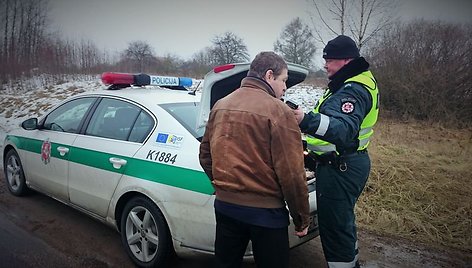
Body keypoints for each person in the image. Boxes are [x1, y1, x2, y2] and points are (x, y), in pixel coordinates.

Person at [199, 51, 310, 268]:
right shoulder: (279, 111)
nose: (285, 88)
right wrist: (301, 218)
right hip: (266, 215)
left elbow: (205, 156)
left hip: (225, 208)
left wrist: (225, 187)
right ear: (269, 76)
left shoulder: (221, 104)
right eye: (284, 80)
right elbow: (292, 173)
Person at [293, 35, 379, 268]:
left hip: (341, 168)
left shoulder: (353, 90)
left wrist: (305, 120)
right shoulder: (353, 82)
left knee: (335, 229)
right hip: (345, 163)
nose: (325, 64)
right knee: (343, 223)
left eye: (329, 59)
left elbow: (342, 130)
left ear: (346, 60)